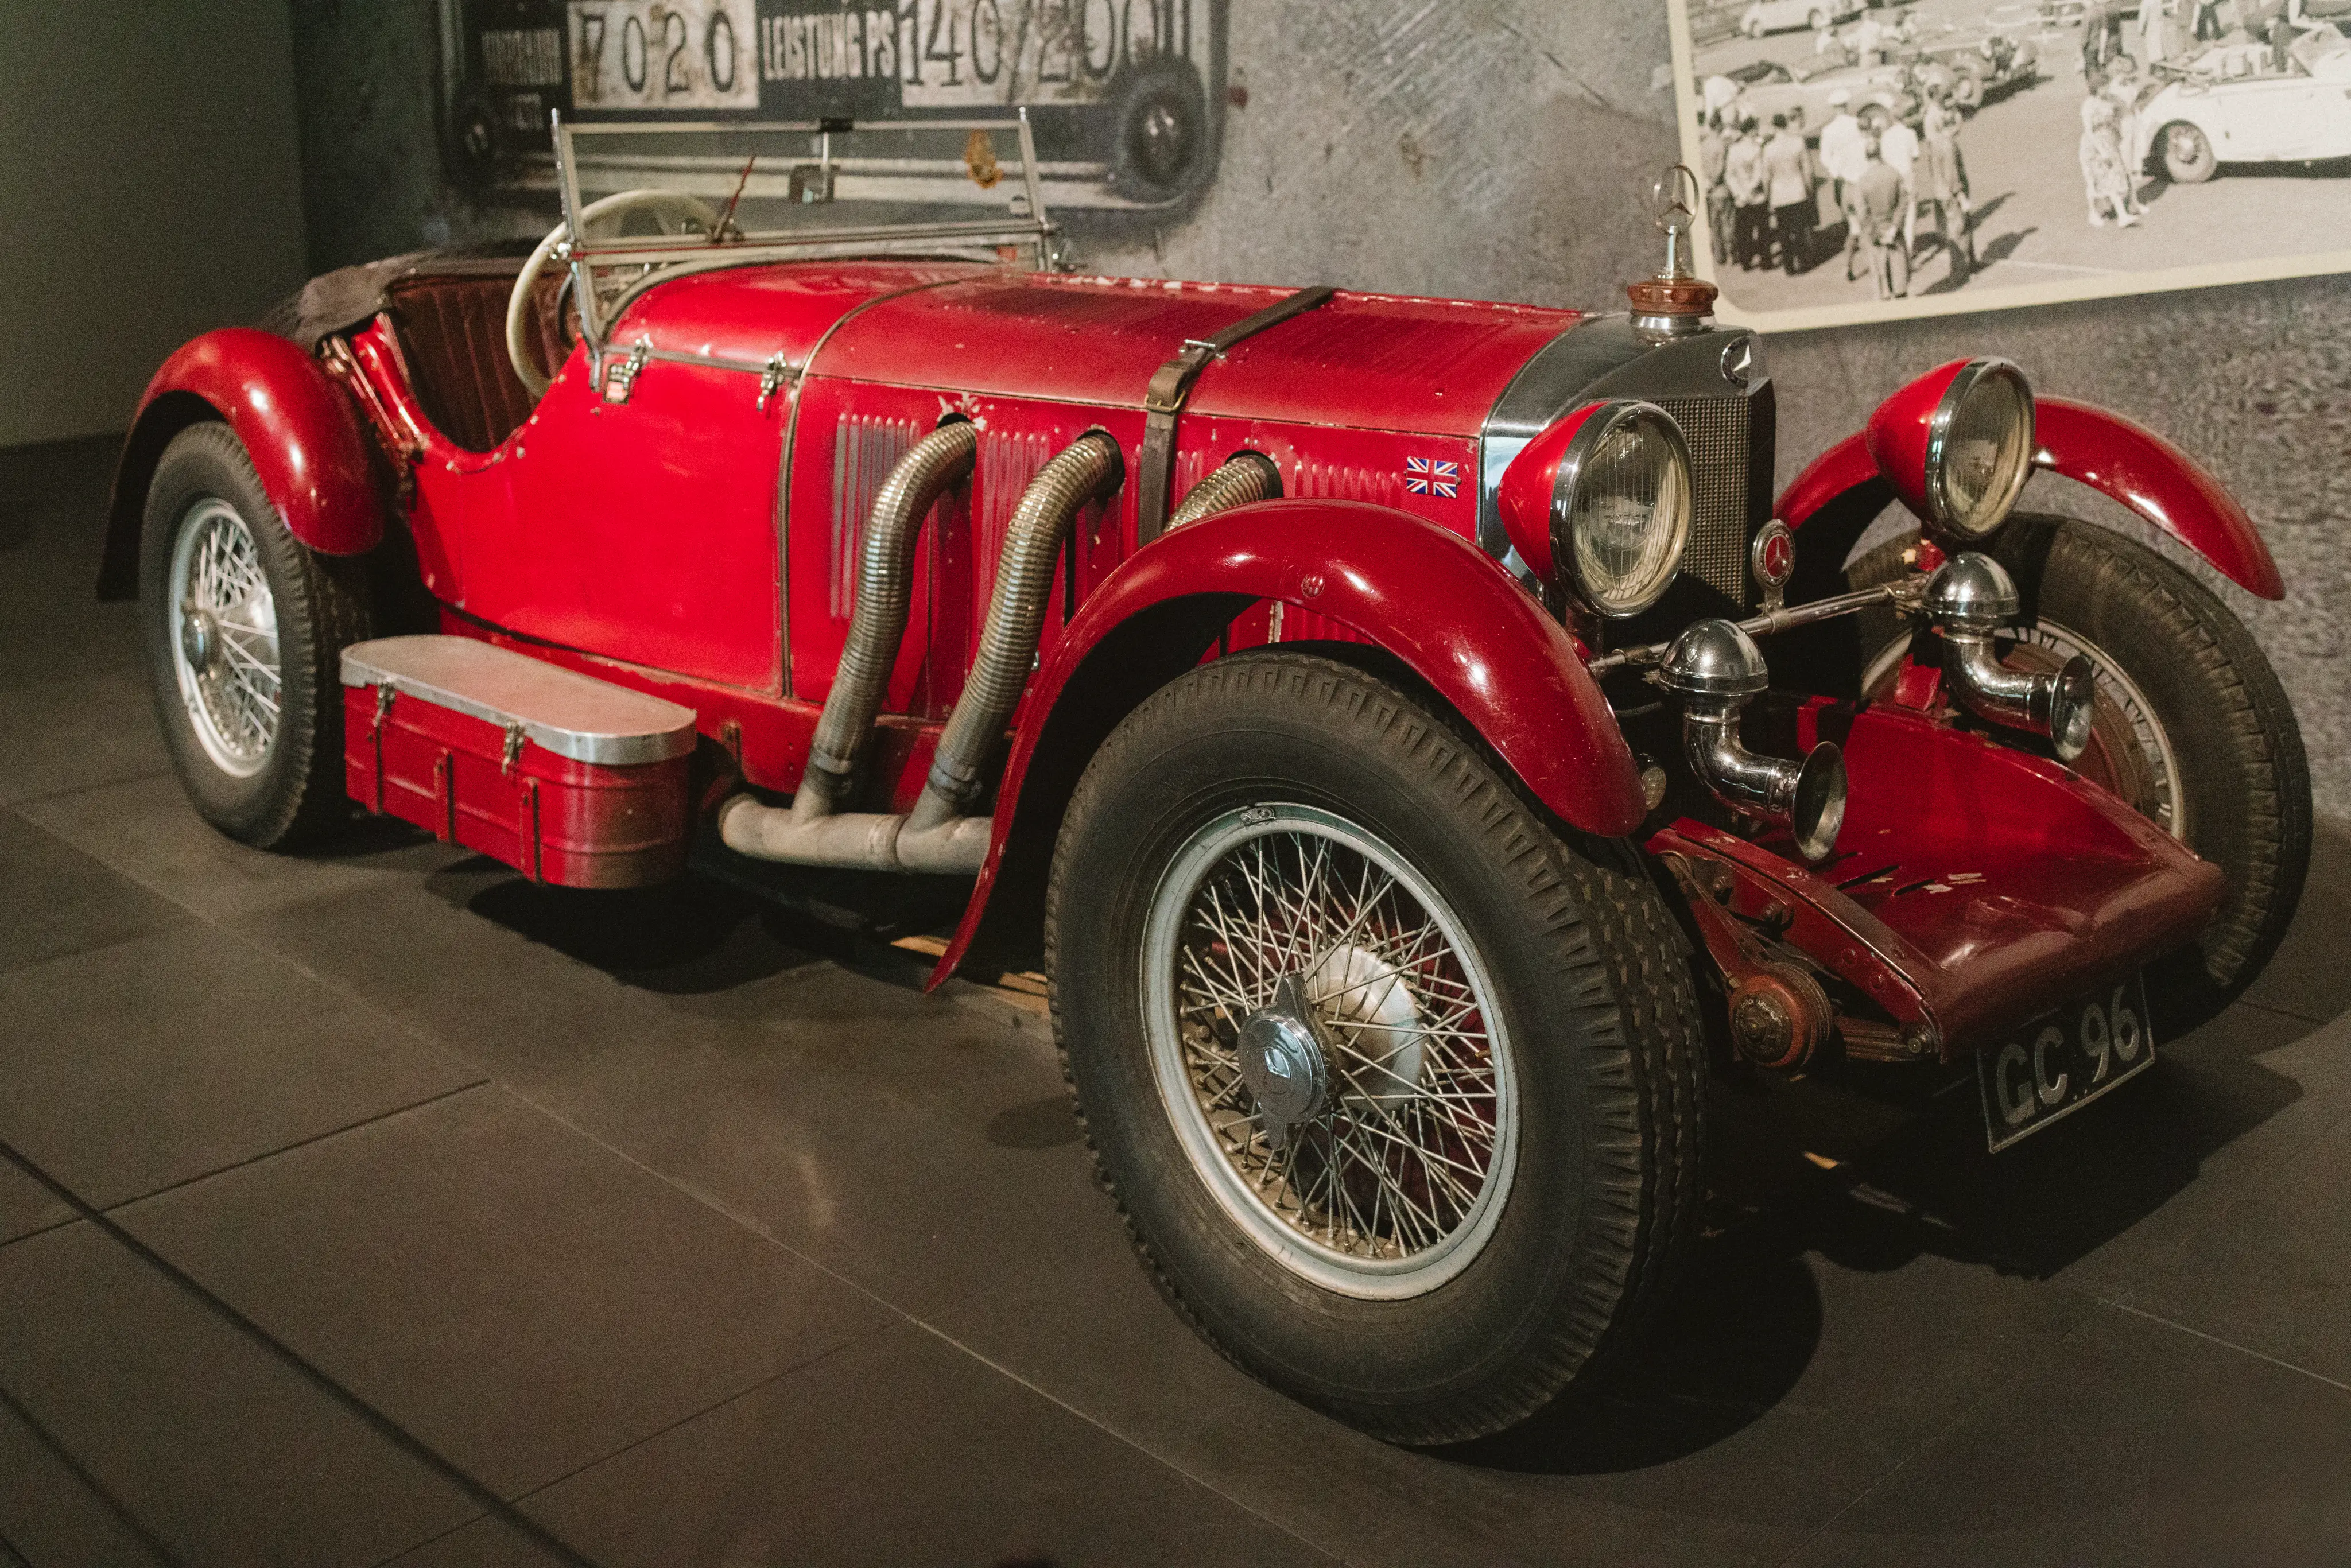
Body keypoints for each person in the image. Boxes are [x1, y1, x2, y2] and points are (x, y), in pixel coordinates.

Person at [1918, 87, 1973, 276]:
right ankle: (1959, 272)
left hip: (1944, 188)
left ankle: (1966, 264)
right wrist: (1961, 196)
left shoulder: (1940, 142)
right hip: (1950, 190)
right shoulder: (1945, 144)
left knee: (1960, 226)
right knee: (1958, 228)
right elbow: (1952, 176)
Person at [1817, 88, 1870, 277]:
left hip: (1844, 183)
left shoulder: (1828, 131)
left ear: (1834, 108)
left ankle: (1848, 265)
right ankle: (1874, 262)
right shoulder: (1857, 124)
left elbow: (1825, 158)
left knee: (1853, 226)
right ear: (1847, 105)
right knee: (1867, 225)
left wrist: (1837, 172)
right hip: (1863, 180)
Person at [1853, 135, 1910, 297]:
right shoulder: (1894, 174)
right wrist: (1894, 228)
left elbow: (1862, 214)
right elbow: (1903, 202)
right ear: (1880, 153)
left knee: (1880, 281)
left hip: (1875, 238)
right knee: (1900, 281)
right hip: (1894, 234)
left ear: (1866, 156)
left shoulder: (1862, 182)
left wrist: (1877, 235)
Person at [1864, 100, 1922, 252]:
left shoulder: (1885, 137)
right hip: (1907, 177)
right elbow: (1915, 156)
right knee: (1909, 216)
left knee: (1894, 213)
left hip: (1891, 178)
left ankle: (1896, 245)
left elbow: (1884, 158)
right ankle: (1909, 249)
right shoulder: (1910, 134)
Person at [2078, 93, 2143, 226]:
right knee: (2093, 182)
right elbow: (2089, 131)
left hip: (2108, 143)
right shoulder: (2088, 105)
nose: (2105, 90)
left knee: (2112, 178)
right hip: (2093, 148)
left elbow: (2116, 119)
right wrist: (2102, 151)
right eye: (2102, 87)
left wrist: (2118, 135)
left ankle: (2123, 215)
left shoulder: (2108, 101)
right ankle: (2093, 214)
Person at [1763, 112, 1815, 274]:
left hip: (1779, 193)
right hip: (1798, 190)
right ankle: (1803, 263)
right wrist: (1810, 190)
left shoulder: (1769, 148)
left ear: (1774, 127)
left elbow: (1767, 176)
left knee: (1784, 232)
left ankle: (1789, 266)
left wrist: (1767, 195)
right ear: (1786, 124)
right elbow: (1808, 170)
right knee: (1799, 229)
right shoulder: (1798, 143)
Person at [1726, 117, 1770, 269]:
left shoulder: (1733, 149)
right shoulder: (1757, 149)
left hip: (1741, 198)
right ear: (1751, 131)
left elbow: (1729, 175)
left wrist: (1739, 193)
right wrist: (1751, 189)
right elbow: (1759, 173)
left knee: (1744, 232)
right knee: (1763, 231)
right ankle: (1765, 262)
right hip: (1757, 196)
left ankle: (1746, 262)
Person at [1700, 110, 1734, 266]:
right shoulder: (1721, 144)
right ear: (1719, 125)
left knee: (1715, 225)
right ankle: (1731, 253)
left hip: (1708, 190)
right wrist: (1714, 182)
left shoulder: (1703, 145)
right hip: (1721, 188)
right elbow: (1721, 168)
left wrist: (1708, 185)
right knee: (1728, 223)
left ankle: (1719, 255)